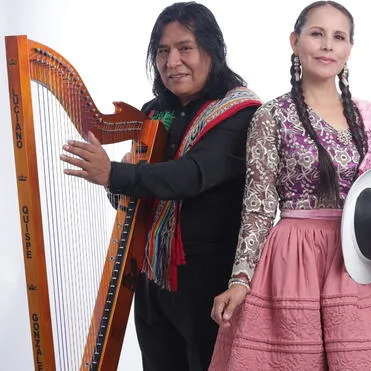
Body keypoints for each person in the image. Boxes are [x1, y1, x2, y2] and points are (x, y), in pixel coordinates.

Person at [208, 1, 371, 370]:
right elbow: (259, 204)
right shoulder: (272, 116)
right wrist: (240, 279)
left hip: (361, 260)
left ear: (349, 49)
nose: (328, 45)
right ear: (295, 41)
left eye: (339, 37)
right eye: (317, 34)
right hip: (294, 260)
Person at [60, 2, 261, 370]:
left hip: (210, 282)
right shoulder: (153, 113)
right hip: (151, 275)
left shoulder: (241, 113)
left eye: (185, 48)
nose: (172, 62)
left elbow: (191, 175)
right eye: (163, 51)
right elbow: (139, 191)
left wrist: (114, 175)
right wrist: (116, 183)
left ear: (212, 51)